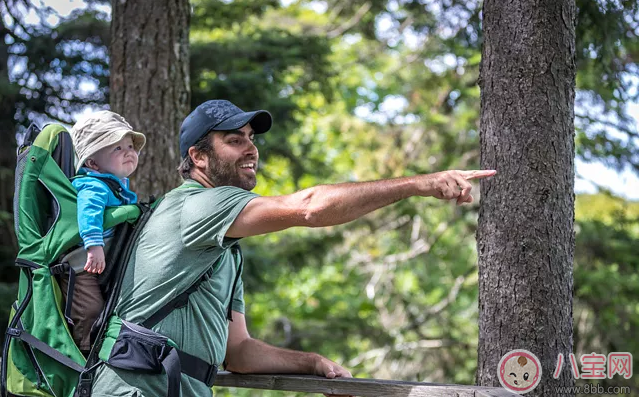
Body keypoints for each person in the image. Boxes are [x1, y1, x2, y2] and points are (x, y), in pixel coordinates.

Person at [90, 100, 496, 397]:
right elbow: (308, 208)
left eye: (251, 139)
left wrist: (312, 363)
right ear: (197, 156)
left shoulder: (224, 247)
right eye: (235, 140)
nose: (251, 149)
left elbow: (239, 352)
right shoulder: (197, 205)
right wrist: (419, 185)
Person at [61, 110, 146, 353]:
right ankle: (87, 357)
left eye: (130, 145)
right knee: (90, 311)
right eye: (117, 148)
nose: (129, 151)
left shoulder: (116, 185)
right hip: (81, 267)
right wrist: (94, 245)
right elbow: (88, 213)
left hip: (100, 264)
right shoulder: (93, 185)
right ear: (93, 163)